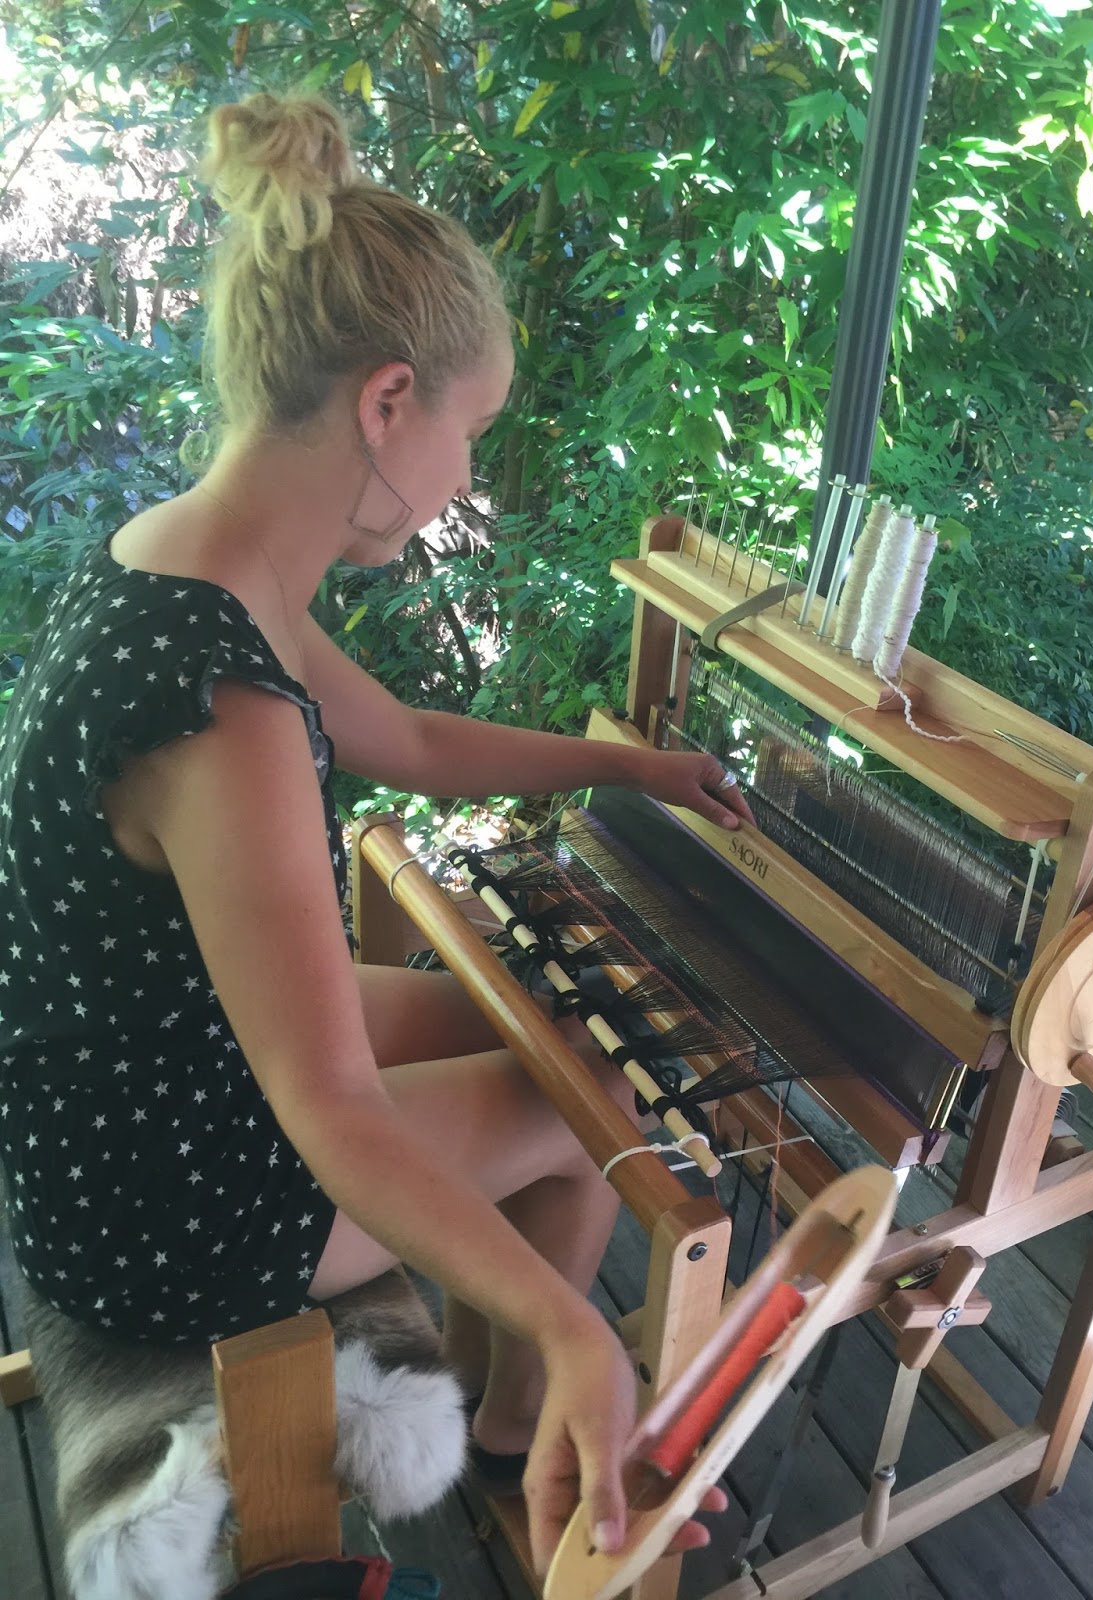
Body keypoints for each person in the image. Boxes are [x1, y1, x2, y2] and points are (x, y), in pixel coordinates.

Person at [0, 91, 749, 1574]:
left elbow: (408, 741)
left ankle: (504, 1401)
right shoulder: (223, 705)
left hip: (115, 1105)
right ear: (387, 403)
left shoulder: (183, 555)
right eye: (471, 431)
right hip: (161, 1205)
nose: (466, 477)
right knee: (588, 1097)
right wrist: (570, 1319)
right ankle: (524, 1403)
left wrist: (633, 771)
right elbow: (327, 1108)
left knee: (520, 1014)